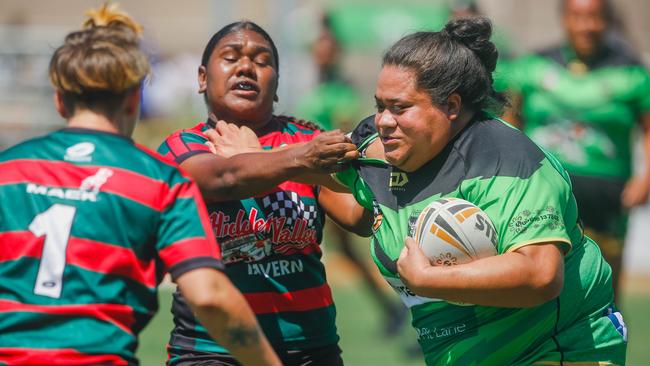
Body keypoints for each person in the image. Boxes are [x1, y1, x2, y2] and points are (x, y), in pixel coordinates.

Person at [330, 16, 627, 365]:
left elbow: (540, 274)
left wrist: (429, 279)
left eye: (400, 107)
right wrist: (287, 165)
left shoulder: (509, 162)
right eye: (380, 105)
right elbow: (340, 194)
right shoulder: (376, 151)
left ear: (452, 106)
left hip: (556, 348)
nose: (383, 120)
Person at [0, 4, 280, 365]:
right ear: (135, 97)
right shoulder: (159, 180)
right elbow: (209, 296)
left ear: (59, 98)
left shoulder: (9, 170)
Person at [157, 20, 370, 366]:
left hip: (309, 348)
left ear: (277, 84)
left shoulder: (305, 136)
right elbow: (225, 178)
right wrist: (301, 158)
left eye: (261, 60)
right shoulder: (182, 147)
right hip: (211, 349)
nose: (246, 66)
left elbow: (357, 217)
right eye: (231, 57)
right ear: (201, 78)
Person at [501, 0, 650, 300]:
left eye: (594, 17)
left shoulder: (632, 72)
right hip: (543, 194)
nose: (587, 26)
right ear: (565, 19)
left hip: (607, 196)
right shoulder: (533, 67)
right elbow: (509, 124)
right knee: (544, 286)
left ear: (606, 20)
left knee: (606, 293)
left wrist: (644, 180)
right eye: (578, 17)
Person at [296, 13, 407, 338]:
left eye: (326, 46)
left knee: (367, 242)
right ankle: (393, 306)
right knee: (344, 250)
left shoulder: (340, 88)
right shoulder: (314, 83)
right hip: (311, 176)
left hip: (332, 179)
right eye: (317, 46)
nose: (320, 52)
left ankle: (402, 301)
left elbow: (346, 132)